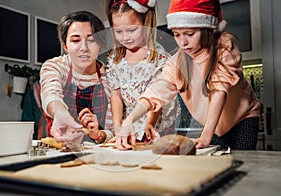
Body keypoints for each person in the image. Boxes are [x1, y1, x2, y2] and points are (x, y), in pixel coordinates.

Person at [119, 0, 260, 150]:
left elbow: (219, 91)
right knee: (217, 163)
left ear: (206, 29)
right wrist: (129, 120)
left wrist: (206, 136)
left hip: (243, 120)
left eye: (189, 34)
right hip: (211, 124)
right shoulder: (178, 61)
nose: (182, 42)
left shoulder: (224, 46)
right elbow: (156, 92)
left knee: (241, 161)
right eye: (176, 35)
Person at [105, 0, 180, 150]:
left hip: (155, 124)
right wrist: (118, 128)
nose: (125, 37)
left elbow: (156, 98)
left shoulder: (158, 58)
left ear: (146, 23)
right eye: (119, 32)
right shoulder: (115, 58)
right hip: (129, 124)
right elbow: (116, 94)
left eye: (132, 30)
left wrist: (148, 127)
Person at [40, 11, 113, 144]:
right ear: (65, 46)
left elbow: (113, 131)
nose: (84, 48)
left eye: (91, 40)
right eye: (75, 40)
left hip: (98, 153)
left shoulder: (111, 78)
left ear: (101, 45)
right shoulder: (55, 66)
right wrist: (60, 114)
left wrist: (98, 134)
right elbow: (51, 93)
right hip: (60, 150)